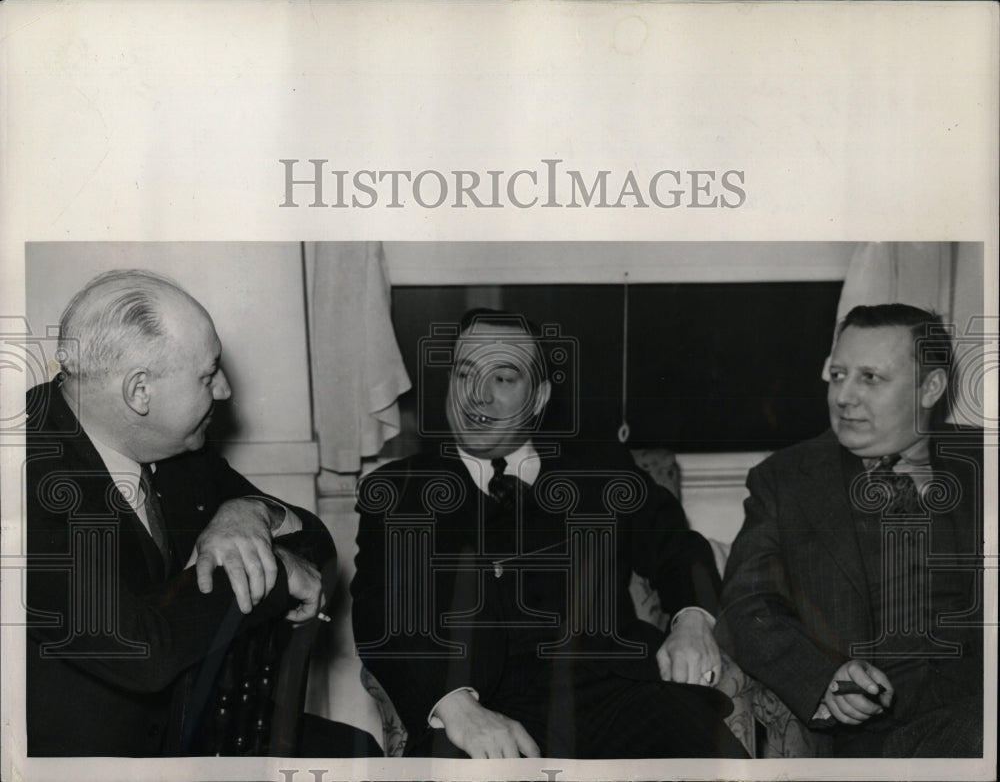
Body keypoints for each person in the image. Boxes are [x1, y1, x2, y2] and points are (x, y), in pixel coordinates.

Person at [351, 308, 748, 759]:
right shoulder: (400, 491)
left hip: (618, 694)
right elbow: (378, 610)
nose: (477, 396)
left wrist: (692, 619)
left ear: (538, 397)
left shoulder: (600, 468)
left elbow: (676, 544)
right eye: (465, 374)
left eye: (502, 378)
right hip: (485, 707)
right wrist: (454, 706)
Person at [25, 269, 336, 756]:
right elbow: (139, 648)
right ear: (139, 392)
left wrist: (249, 511)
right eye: (208, 375)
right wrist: (273, 571)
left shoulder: (173, 447)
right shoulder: (23, 478)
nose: (227, 391)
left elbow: (314, 537)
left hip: (190, 734)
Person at [717, 303, 983, 757]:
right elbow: (748, 602)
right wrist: (822, 677)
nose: (843, 397)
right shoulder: (786, 481)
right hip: (875, 735)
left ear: (930, 387)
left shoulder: (986, 464)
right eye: (837, 375)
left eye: (870, 378)